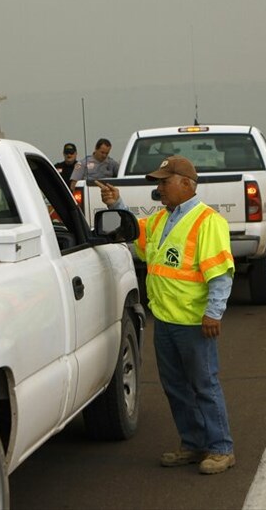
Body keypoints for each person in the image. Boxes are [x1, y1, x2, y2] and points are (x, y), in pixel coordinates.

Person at [97, 155, 236, 475]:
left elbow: (220, 274)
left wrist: (213, 313)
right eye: (158, 182)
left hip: (193, 322)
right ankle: (193, 444)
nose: (159, 188)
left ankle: (221, 448)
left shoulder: (207, 221)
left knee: (204, 385)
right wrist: (116, 202)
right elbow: (133, 233)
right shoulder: (161, 219)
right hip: (165, 319)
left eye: (164, 182)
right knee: (175, 387)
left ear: (186, 184)